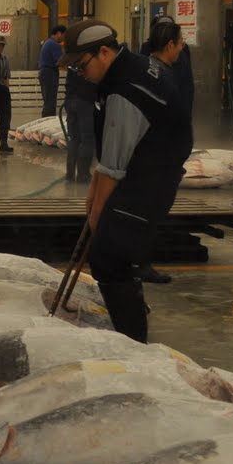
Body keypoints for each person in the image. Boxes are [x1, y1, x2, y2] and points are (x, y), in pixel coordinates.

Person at [58, 19, 192, 342]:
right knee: (114, 251)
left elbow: (115, 168)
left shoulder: (125, 90)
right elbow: (107, 159)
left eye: (81, 65)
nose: (80, 73)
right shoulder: (126, 69)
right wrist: (92, 192)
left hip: (150, 179)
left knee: (110, 256)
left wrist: (97, 215)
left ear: (103, 52)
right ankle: (132, 315)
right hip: (145, 170)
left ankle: (133, 341)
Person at [137, 18, 191, 285]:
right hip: (158, 162)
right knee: (150, 214)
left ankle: (141, 261)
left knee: (149, 214)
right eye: (180, 43)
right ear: (170, 45)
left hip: (159, 160)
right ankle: (141, 263)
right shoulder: (159, 77)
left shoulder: (151, 70)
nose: (182, 48)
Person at [38, 24, 65, 118]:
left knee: (48, 100)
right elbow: (60, 61)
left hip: (45, 72)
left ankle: (46, 120)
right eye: (64, 35)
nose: (64, 38)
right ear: (58, 33)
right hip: (49, 73)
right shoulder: (54, 44)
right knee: (50, 101)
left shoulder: (48, 42)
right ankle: (48, 121)